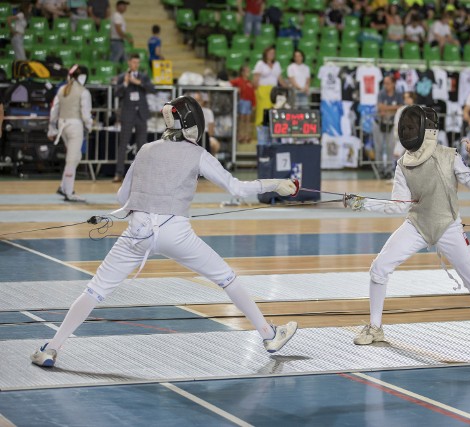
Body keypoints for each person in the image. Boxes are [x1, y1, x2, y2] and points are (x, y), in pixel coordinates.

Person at [30, 96, 299, 368]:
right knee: (226, 278)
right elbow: (237, 188)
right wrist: (274, 184)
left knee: (95, 290)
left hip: (137, 232)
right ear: (194, 124)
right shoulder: (199, 154)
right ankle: (269, 335)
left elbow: (121, 195)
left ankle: (51, 349)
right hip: (176, 234)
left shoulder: (146, 149)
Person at [344, 105, 470, 345]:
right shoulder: (403, 164)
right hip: (417, 225)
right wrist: (361, 203)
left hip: (448, 227)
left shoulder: (448, 155)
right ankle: (375, 327)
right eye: (407, 126)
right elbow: (399, 206)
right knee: (379, 268)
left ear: (426, 130)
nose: (409, 130)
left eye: (413, 126)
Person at [47, 65, 93, 202]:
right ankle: (69, 192)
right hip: (75, 127)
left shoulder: (62, 89)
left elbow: (54, 111)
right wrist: (90, 125)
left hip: (63, 126)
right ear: (83, 77)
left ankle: (63, 186)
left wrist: (52, 129)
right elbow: (85, 115)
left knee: (76, 156)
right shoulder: (84, 92)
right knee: (72, 159)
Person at [113, 53, 156, 183]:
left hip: (141, 115)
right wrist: (126, 84)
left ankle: (141, 173)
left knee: (142, 145)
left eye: (137, 62)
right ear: (129, 63)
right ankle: (119, 172)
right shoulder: (122, 77)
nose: (135, 65)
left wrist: (137, 82)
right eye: (133, 62)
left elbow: (152, 89)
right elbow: (116, 92)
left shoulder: (143, 77)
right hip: (127, 115)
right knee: (123, 144)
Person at [375, 75, 403, 179]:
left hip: (391, 124)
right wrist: (393, 109)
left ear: (393, 84)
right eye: (384, 83)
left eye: (388, 83)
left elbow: (400, 107)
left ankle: (388, 170)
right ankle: (380, 169)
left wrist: (387, 108)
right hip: (379, 123)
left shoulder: (398, 94)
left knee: (390, 147)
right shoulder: (381, 93)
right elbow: (380, 107)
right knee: (379, 147)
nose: (385, 85)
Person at [252, 46, 288, 127]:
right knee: (262, 112)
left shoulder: (277, 64)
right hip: (263, 90)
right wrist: (257, 91)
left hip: (274, 91)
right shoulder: (260, 64)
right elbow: (255, 79)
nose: (271, 55)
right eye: (270, 53)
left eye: (273, 53)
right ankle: (260, 131)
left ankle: (272, 130)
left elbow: (280, 79)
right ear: (265, 54)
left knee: (273, 110)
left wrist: (287, 87)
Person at [230, 65, 256, 144]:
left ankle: (247, 135)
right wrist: (236, 89)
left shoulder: (249, 82)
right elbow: (229, 83)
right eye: (246, 71)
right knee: (241, 119)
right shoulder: (238, 81)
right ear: (242, 72)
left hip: (248, 102)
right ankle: (240, 135)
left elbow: (252, 94)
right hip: (242, 101)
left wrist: (254, 104)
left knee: (248, 120)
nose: (248, 73)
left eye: (249, 71)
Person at [392, 91, 416, 161]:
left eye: (408, 97)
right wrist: (397, 135)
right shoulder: (400, 110)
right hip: (402, 137)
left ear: (413, 98)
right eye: (405, 98)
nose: (406, 99)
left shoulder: (418, 110)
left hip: (415, 139)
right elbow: (396, 123)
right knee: (398, 157)